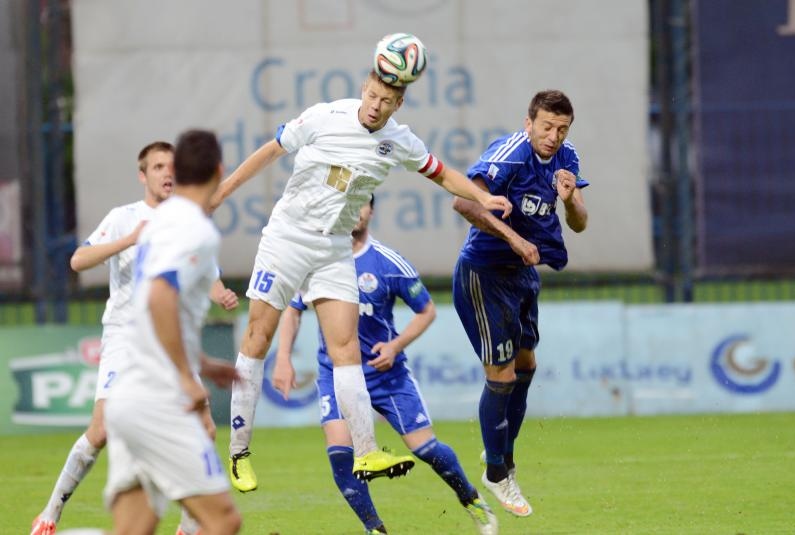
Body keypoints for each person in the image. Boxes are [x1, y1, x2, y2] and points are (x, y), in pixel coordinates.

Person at [210, 68, 512, 492]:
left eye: (385, 101)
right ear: (362, 90)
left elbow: (442, 173)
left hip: (334, 248)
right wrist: (223, 192)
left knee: (346, 348)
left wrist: (482, 196)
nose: (375, 106)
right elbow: (272, 150)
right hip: (288, 238)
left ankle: (366, 449)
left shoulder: (400, 141)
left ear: (398, 104)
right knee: (258, 338)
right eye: (371, 96)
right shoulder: (326, 116)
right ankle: (240, 452)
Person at [31, 142, 238, 535]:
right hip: (126, 336)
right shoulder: (124, 218)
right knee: (102, 430)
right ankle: (50, 512)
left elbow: (206, 276)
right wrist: (130, 240)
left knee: (205, 428)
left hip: (170, 340)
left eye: (172, 166)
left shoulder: (187, 223)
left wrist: (222, 294)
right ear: (143, 176)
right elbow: (78, 260)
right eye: (157, 166)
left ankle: (188, 526)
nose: (166, 173)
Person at [272, 197, 498, 535]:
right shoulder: (317, 261)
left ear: (371, 211)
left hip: (385, 375)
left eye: (362, 204)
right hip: (334, 374)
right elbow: (292, 310)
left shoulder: (388, 263)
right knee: (340, 455)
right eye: (350, 204)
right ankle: (375, 529)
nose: (355, 211)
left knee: (426, 449)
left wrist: (395, 345)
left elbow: (427, 311)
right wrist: (282, 358)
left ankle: (471, 499)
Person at [451, 90, 589, 517]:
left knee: (526, 366)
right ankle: (497, 471)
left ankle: (502, 457)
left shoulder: (567, 158)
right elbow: (463, 202)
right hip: (484, 274)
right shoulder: (510, 153)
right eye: (546, 126)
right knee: (502, 373)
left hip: (523, 275)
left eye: (561, 129)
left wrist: (570, 200)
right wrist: (513, 238)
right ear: (529, 123)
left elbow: (580, 225)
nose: (553, 136)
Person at [103, 129, 241, 535]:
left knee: (136, 527)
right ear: (219, 170)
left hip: (127, 394)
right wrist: (186, 376)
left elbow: (153, 309)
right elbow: (161, 297)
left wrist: (202, 362)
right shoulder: (195, 229)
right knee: (223, 520)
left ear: (178, 172)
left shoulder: (160, 220)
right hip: (160, 399)